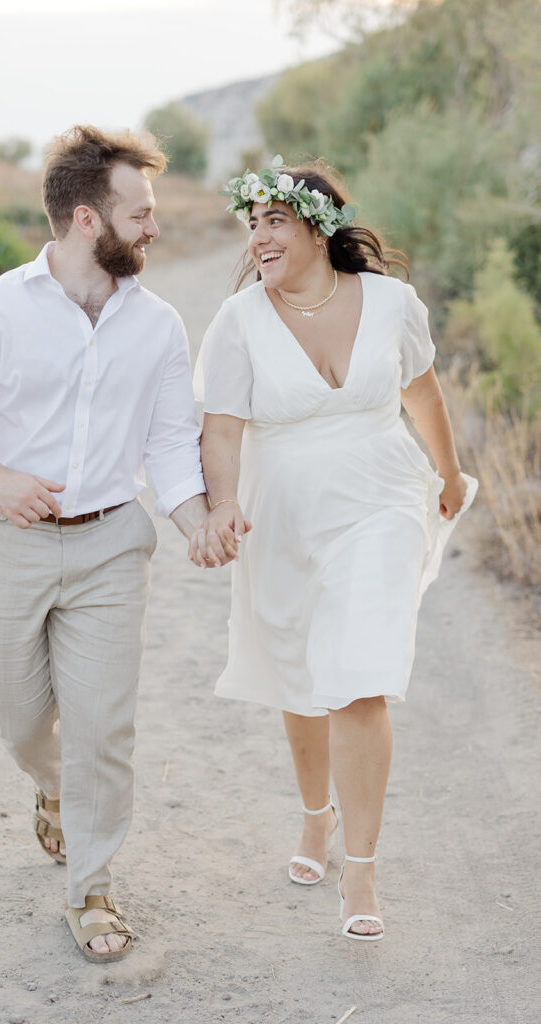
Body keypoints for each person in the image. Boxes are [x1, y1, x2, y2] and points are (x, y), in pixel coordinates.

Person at [0, 125, 235, 962]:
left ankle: (89, 890)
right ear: (88, 220)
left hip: (110, 547)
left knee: (102, 726)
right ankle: (51, 785)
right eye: (141, 212)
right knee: (14, 717)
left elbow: (167, 440)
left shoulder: (156, 324)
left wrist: (194, 521)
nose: (153, 227)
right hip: (8, 541)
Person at [190, 156, 477, 941]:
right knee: (299, 667)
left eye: (272, 221)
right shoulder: (238, 321)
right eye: (251, 226)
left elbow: (420, 390)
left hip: (379, 499)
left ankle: (361, 870)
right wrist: (220, 506)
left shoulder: (391, 303)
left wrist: (448, 473)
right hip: (279, 508)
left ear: (314, 227)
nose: (258, 239)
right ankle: (313, 817)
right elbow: (220, 427)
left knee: (359, 673)